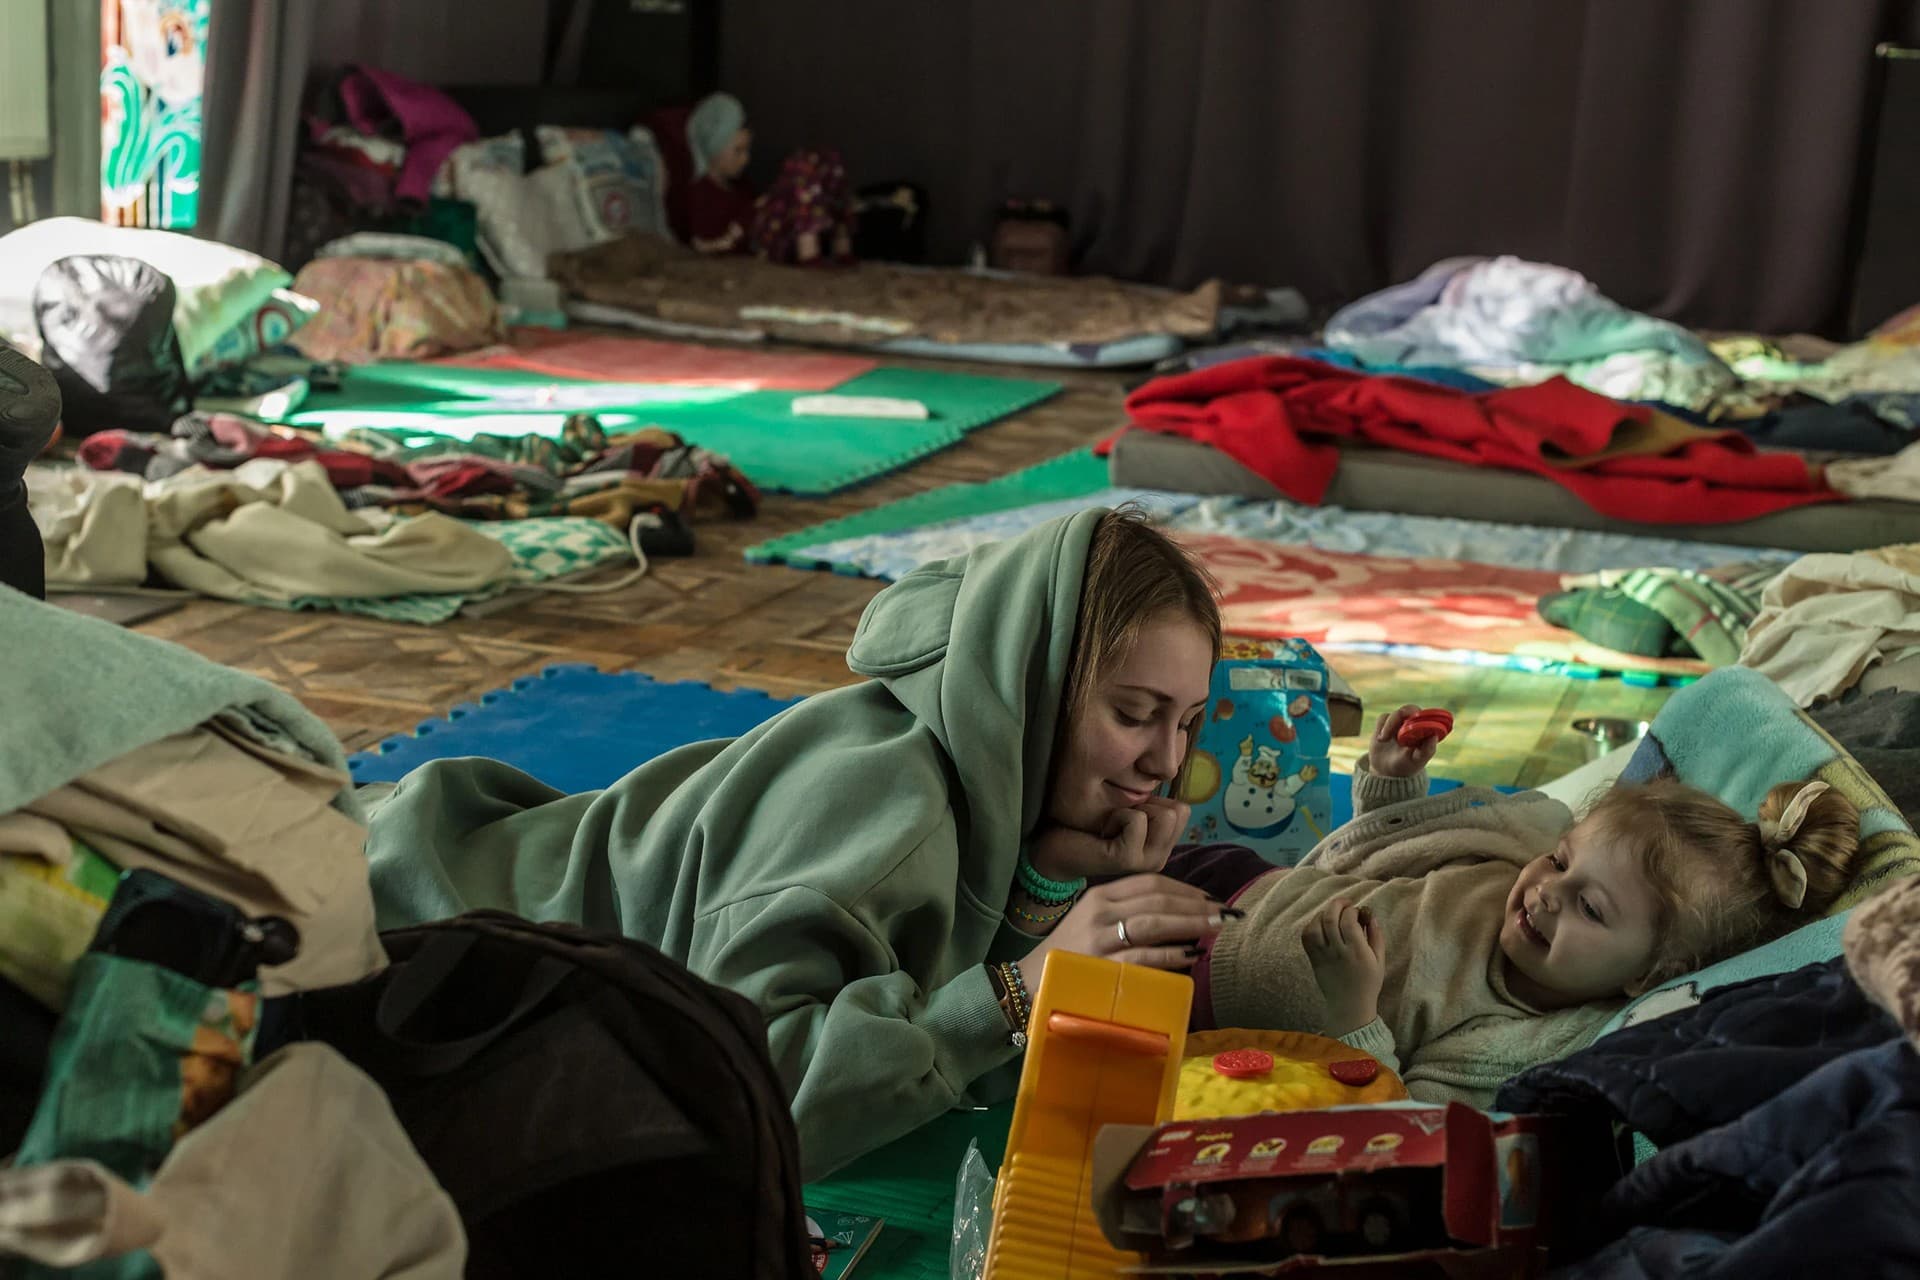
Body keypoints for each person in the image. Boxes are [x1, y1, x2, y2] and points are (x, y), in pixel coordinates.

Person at [363, 508, 1230, 1178]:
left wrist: (1044, 882)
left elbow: (915, 961)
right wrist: (1015, 994)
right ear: (1037, 686)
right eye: (1133, 714)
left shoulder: (983, 760)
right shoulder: (889, 807)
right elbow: (750, 1096)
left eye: (1187, 721)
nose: (1166, 763)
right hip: (409, 933)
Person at [1182, 704, 1863, 1106]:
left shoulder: (1519, 1042)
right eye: (1562, 861)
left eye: (1591, 910)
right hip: (1243, 884)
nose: (1546, 891)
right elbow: (1405, 852)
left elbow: (1405, 1127)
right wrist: (1393, 788)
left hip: (1198, 999)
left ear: (1647, 977)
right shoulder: (1510, 864)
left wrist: (1354, 1017)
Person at [683, 91, 854, 265]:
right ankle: (809, 256)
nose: (746, 159)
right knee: (799, 168)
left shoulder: (741, 185)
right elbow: (707, 244)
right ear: (714, 148)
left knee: (828, 160)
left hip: (776, 237)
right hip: (755, 246)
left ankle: (842, 248)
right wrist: (755, 211)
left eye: (747, 150)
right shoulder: (700, 192)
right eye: (738, 151)